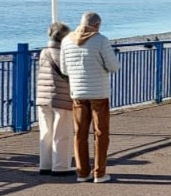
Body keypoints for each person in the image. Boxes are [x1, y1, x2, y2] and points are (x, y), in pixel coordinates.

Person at [61, 11, 121, 183]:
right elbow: (113, 66)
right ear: (96, 25)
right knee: (101, 133)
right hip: (98, 93)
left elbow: (64, 70)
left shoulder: (66, 41)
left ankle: (82, 172)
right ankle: (99, 173)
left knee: (80, 133)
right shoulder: (100, 40)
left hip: (78, 93)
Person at [35, 21, 74, 177]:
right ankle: (60, 166)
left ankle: (45, 165)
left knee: (45, 132)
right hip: (62, 98)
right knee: (62, 133)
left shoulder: (44, 52)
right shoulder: (65, 53)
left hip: (43, 97)